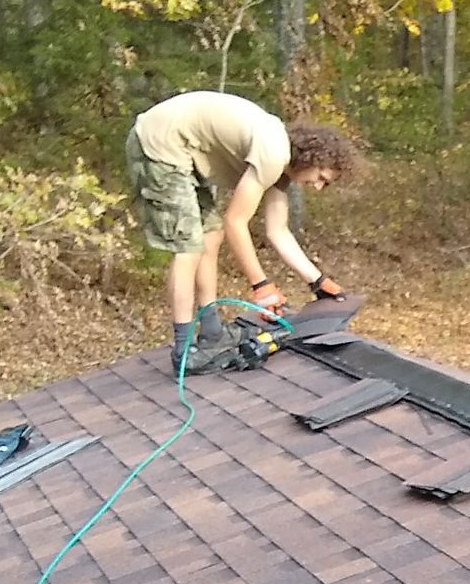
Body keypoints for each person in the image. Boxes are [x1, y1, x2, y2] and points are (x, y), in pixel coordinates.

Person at [124, 91, 359, 373]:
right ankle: (184, 352)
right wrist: (261, 286)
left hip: (184, 150)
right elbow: (235, 222)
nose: (318, 187)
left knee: (210, 237)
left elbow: (277, 231)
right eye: (320, 177)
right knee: (188, 247)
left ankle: (212, 332)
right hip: (160, 144)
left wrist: (318, 281)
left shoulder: (281, 168)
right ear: (311, 158)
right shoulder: (273, 155)